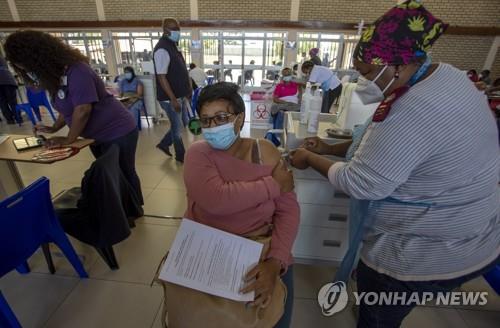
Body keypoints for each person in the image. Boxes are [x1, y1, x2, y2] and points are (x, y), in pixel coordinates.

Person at [289, 1, 499, 327]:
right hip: (477, 232)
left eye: (367, 73)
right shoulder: (445, 76)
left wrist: (311, 159)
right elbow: (390, 146)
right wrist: (333, 146)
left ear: (396, 65)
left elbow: (362, 182)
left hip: (420, 252)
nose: (363, 82)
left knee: (378, 317)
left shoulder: (414, 109)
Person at [183, 82, 299, 328]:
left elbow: (288, 211)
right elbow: (217, 200)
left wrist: (275, 261)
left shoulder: (264, 151)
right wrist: (273, 185)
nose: (212, 127)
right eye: (205, 120)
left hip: (259, 247)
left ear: (239, 118)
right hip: (207, 245)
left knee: (272, 311)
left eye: (221, 118)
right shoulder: (197, 153)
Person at [5, 30, 143, 205]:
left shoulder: (77, 70)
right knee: (110, 174)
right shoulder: (55, 75)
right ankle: (121, 209)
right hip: (95, 136)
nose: (25, 70)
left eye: (24, 65)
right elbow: (67, 105)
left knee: (124, 171)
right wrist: (55, 127)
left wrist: (69, 139)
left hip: (118, 130)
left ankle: (135, 208)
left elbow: (83, 109)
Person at [154, 18, 192, 163]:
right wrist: (173, 99)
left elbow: (181, 70)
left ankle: (164, 144)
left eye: (178, 28)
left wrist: (188, 89)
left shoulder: (173, 45)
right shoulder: (162, 49)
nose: (177, 31)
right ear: (165, 30)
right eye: (173, 28)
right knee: (177, 128)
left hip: (179, 94)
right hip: (169, 98)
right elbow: (162, 77)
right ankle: (181, 156)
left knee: (184, 122)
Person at [0, 55, 18, 124]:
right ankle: (18, 118)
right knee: (12, 101)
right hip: (8, 80)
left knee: (2, 103)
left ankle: (10, 120)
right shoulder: (2, 58)